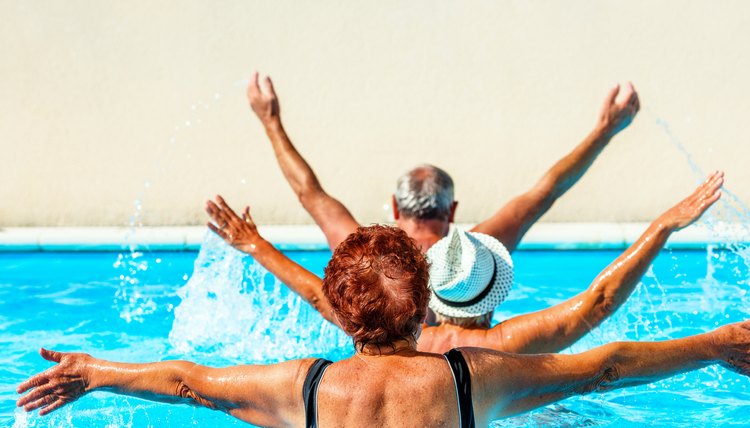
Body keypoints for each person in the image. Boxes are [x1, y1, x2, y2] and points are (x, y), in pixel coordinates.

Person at [17, 226, 750, 427]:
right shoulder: (471, 380)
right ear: (425, 303)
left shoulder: (302, 387)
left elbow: (186, 382)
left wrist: (93, 370)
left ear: (342, 313)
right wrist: (714, 346)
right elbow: (608, 363)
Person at [206, 171, 724, 354]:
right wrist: (663, 226)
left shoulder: (390, 334)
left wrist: (254, 244)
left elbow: (320, 293)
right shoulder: (502, 345)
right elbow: (600, 301)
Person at [246, 72, 639, 254]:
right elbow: (547, 189)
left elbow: (308, 192)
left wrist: (271, 121)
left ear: (396, 207)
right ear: (452, 210)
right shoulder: (480, 252)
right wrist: (604, 131)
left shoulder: (365, 252)